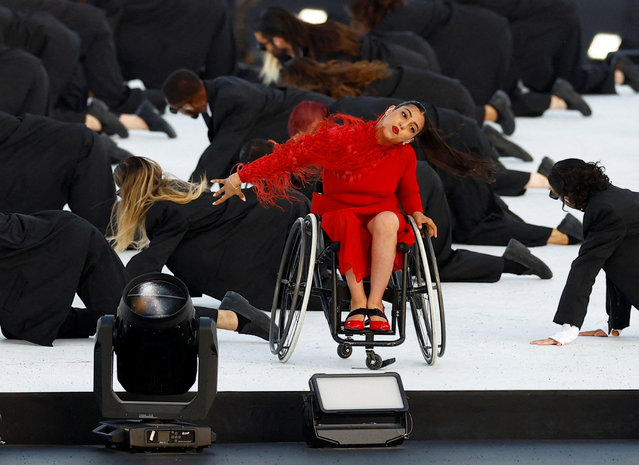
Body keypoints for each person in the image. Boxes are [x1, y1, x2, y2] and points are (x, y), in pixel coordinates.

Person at [211, 101, 489, 330]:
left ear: (410, 139)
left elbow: (408, 192)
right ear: (390, 110)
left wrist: (417, 213)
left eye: (411, 128)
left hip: (381, 211)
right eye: (403, 115)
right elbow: (289, 157)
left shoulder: (405, 157)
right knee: (347, 222)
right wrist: (241, 176)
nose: (403, 125)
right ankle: (358, 300)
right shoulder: (340, 137)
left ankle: (376, 303)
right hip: (338, 210)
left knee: (390, 220)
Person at [0, 210, 274, 346]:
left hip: (69, 240)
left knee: (130, 311)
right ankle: (107, 321)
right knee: (23, 325)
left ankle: (235, 318)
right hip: (45, 250)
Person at [110, 156, 309, 310]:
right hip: (277, 207)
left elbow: (154, 257)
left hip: (272, 216)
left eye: (121, 192)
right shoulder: (174, 192)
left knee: (285, 293)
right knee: (300, 282)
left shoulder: (164, 210)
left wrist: (122, 286)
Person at [349, 0, 593, 118]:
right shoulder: (416, 10)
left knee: (477, 100)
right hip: (494, 35)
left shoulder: (390, 27)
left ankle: (556, 101)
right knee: (504, 96)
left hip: (477, 55)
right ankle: (559, 98)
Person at [531, 159, 639, 346]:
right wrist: (615, 325)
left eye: (556, 195)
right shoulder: (614, 197)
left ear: (570, 192)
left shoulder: (605, 210)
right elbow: (621, 261)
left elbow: (585, 268)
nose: (560, 200)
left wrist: (568, 329)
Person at [161, 69, 333, 180]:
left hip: (322, 116)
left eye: (176, 109)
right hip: (301, 121)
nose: (180, 113)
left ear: (189, 105)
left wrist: (190, 192)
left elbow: (221, 150)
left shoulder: (233, 99)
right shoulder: (216, 92)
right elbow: (225, 153)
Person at [279, 56, 516, 135]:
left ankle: (492, 114)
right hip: (446, 98)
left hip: (443, 108)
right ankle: (492, 114)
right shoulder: (346, 73)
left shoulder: (348, 98)